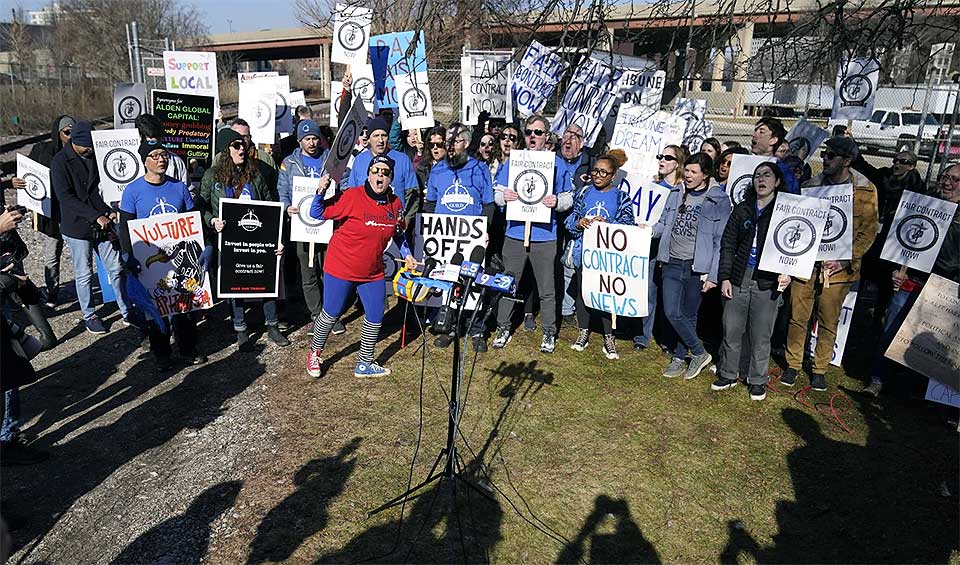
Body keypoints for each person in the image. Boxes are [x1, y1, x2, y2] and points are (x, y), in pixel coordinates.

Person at [781, 136, 878, 391]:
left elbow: (867, 232)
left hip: (839, 269)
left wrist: (845, 258)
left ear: (847, 161)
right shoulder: (811, 185)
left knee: (828, 319)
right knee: (798, 316)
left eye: (831, 155)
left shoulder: (865, 190)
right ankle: (792, 364)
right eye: (824, 154)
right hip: (807, 263)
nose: (824, 159)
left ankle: (820, 369)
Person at [305, 155, 416, 378]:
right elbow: (316, 213)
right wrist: (320, 192)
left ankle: (364, 363)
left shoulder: (395, 204)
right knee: (331, 313)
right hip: (341, 267)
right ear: (368, 174)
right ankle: (315, 353)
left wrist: (408, 254)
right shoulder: (351, 196)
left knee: (376, 314)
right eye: (375, 171)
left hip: (372, 271)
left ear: (391, 178)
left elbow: (399, 233)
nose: (379, 176)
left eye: (385, 172)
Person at [861, 165, 960, 396]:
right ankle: (877, 379)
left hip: (945, 288)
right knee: (891, 331)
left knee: (935, 343)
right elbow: (904, 241)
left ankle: (923, 392)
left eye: (955, 179)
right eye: (945, 177)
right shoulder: (926, 205)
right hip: (910, 282)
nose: (947, 182)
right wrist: (897, 268)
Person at [119, 140, 206, 372]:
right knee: (155, 309)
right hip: (150, 259)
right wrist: (128, 256)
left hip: (178, 257)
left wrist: (200, 247)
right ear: (144, 161)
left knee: (183, 304)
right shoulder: (133, 191)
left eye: (164, 155)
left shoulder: (178, 187)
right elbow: (124, 227)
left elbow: (191, 219)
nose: (161, 159)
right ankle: (162, 354)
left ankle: (188, 348)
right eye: (155, 156)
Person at [199, 129, 290, 350]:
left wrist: (277, 238)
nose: (243, 149)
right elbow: (201, 206)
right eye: (236, 145)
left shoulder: (255, 174)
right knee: (235, 283)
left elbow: (271, 207)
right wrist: (212, 221)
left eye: (243, 145)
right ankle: (241, 329)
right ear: (225, 149)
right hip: (229, 241)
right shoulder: (212, 176)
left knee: (265, 280)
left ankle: (272, 325)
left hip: (258, 239)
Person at [491, 115, 573, 353]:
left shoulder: (556, 164)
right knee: (508, 282)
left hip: (545, 236)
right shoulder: (513, 162)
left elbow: (568, 197)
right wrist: (503, 197)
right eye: (529, 132)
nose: (533, 137)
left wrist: (557, 201)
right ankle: (503, 327)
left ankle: (549, 332)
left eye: (538, 132)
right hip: (515, 233)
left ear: (547, 136)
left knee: (546, 287)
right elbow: (497, 194)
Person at [713, 162, 792, 400]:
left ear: (777, 181)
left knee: (760, 333)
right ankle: (728, 373)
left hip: (768, 281)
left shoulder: (785, 212)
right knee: (732, 328)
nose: (761, 180)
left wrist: (787, 271)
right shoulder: (743, 210)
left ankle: (757, 379)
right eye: (757, 176)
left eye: (767, 175)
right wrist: (725, 277)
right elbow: (727, 244)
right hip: (739, 276)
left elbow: (793, 247)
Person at [653, 152, 731, 379]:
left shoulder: (718, 200)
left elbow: (720, 241)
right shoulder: (676, 193)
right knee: (671, 311)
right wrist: (645, 231)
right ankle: (699, 352)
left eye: (693, 172)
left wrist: (713, 275)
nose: (687, 175)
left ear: (706, 175)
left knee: (688, 314)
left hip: (697, 267)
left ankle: (679, 358)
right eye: (686, 170)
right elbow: (663, 223)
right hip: (672, 261)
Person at [50, 121, 131, 333]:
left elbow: (104, 187)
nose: (90, 150)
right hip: (76, 226)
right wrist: (96, 216)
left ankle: (127, 309)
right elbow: (65, 197)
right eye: (86, 147)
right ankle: (90, 315)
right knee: (84, 273)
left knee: (116, 268)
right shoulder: (59, 162)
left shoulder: (96, 154)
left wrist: (109, 209)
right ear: (75, 142)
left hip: (102, 222)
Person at [425, 123, 496, 350]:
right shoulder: (437, 170)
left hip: (471, 237)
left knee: (473, 282)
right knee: (448, 280)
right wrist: (429, 229)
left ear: (465, 143)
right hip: (446, 237)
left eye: (453, 141)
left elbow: (488, 204)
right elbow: (430, 202)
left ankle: (476, 330)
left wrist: (485, 230)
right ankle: (449, 325)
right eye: (447, 141)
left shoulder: (480, 169)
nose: (449, 145)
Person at [277, 118, 342, 335]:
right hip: (302, 226)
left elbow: (345, 181)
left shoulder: (330, 159)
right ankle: (316, 313)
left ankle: (331, 313)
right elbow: (283, 189)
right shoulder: (289, 163)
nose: (312, 143)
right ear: (299, 141)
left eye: (315, 138)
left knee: (330, 270)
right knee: (308, 272)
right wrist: (287, 207)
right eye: (307, 139)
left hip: (327, 223)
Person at [565, 154, 633, 359]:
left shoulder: (621, 197)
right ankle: (583, 332)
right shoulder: (584, 192)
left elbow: (628, 224)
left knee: (606, 297)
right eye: (595, 170)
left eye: (603, 172)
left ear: (613, 176)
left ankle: (609, 337)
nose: (598, 175)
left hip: (607, 257)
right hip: (583, 252)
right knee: (582, 293)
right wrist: (578, 223)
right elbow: (570, 218)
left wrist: (609, 227)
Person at [10, 115, 73, 308]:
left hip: (73, 212)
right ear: (58, 133)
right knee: (51, 255)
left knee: (81, 256)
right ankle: (52, 293)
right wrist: (16, 181)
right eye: (67, 132)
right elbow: (26, 175)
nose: (71, 137)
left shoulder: (79, 152)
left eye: (73, 132)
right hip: (50, 213)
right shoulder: (42, 150)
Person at [555, 124, 594, 326]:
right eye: (566, 135)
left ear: (583, 142)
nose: (568, 139)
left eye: (575, 136)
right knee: (552, 264)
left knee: (570, 264)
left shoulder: (590, 163)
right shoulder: (551, 158)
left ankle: (567, 308)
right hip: (552, 219)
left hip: (577, 221)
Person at [347, 117, 419, 216]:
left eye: (384, 135)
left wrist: (404, 223)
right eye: (376, 136)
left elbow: (413, 196)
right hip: (365, 223)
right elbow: (351, 194)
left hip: (394, 222)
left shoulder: (403, 160)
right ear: (368, 139)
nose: (380, 140)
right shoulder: (359, 160)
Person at [134, 114, 190, 187]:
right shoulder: (132, 159)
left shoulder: (175, 161)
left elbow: (188, 189)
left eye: (157, 139)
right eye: (150, 141)